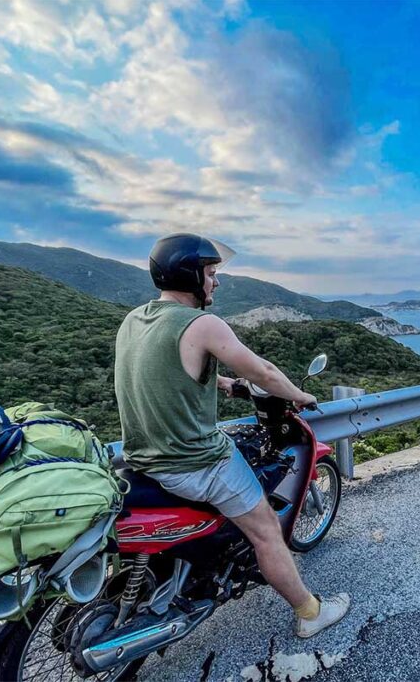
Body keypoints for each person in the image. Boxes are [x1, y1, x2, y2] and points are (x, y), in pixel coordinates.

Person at [113, 232, 350, 639]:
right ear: (190, 276)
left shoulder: (135, 319)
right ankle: (310, 612)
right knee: (266, 530)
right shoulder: (202, 323)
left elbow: (167, 372)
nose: (216, 282)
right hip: (194, 463)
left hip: (140, 458)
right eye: (210, 273)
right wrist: (299, 394)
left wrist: (221, 383)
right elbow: (265, 374)